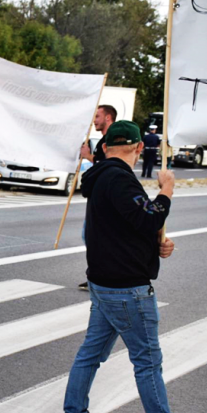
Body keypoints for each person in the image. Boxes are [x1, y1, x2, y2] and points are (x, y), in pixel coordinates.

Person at [59, 120, 207, 413]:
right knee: (147, 362)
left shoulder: (101, 176)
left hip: (104, 283)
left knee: (90, 354)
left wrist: (158, 243)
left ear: (104, 147)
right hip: (126, 288)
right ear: (139, 147)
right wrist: (167, 190)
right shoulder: (117, 177)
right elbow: (148, 217)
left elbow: (127, 224)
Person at [78, 104, 117, 291]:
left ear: (108, 118)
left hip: (105, 195)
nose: (95, 120)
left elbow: (109, 162)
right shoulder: (105, 139)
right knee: (90, 235)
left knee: (92, 235)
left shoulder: (112, 139)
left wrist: (88, 157)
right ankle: (95, 273)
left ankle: (99, 274)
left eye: (98, 116)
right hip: (98, 194)